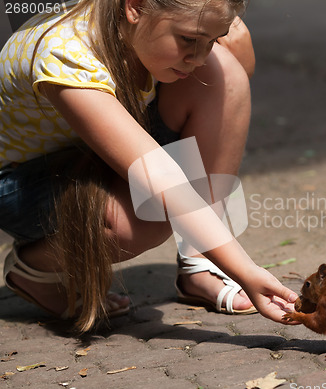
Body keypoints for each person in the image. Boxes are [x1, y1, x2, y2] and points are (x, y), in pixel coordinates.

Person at [0, 0, 298, 333]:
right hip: (20, 183)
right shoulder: (65, 52)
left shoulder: (179, 23)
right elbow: (157, 176)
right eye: (188, 40)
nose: (198, 56)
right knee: (150, 214)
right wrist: (246, 269)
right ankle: (37, 269)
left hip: (91, 151)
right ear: (135, 7)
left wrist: (227, 38)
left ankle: (199, 262)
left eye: (211, 39)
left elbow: (232, 87)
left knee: (223, 72)